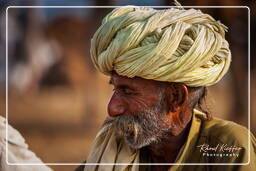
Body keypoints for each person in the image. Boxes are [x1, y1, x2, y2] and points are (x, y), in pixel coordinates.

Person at [82, 5, 256, 171]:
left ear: (176, 98)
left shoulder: (228, 148)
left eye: (127, 92)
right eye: (116, 90)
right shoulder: (113, 147)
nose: (112, 109)